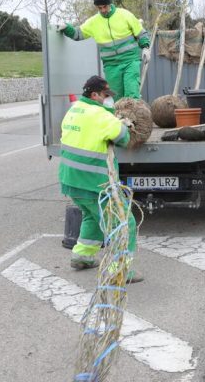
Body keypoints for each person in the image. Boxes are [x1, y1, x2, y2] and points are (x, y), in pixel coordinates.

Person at [58, 75, 143, 283]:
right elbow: (123, 139)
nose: (108, 99)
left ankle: (82, 257)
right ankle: (119, 270)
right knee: (123, 224)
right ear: (94, 94)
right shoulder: (101, 116)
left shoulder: (75, 109)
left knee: (91, 217)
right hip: (95, 183)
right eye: (105, 96)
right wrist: (120, 121)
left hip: (70, 180)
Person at [58, 0, 151, 101]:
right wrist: (66, 28)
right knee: (116, 97)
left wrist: (145, 47)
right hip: (111, 65)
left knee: (131, 93)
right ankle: (120, 118)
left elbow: (140, 32)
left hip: (130, 60)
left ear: (110, 4)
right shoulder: (93, 22)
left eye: (105, 7)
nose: (103, 10)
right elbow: (78, 34)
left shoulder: (125, 15)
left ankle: (133, 118)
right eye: (100, 8)